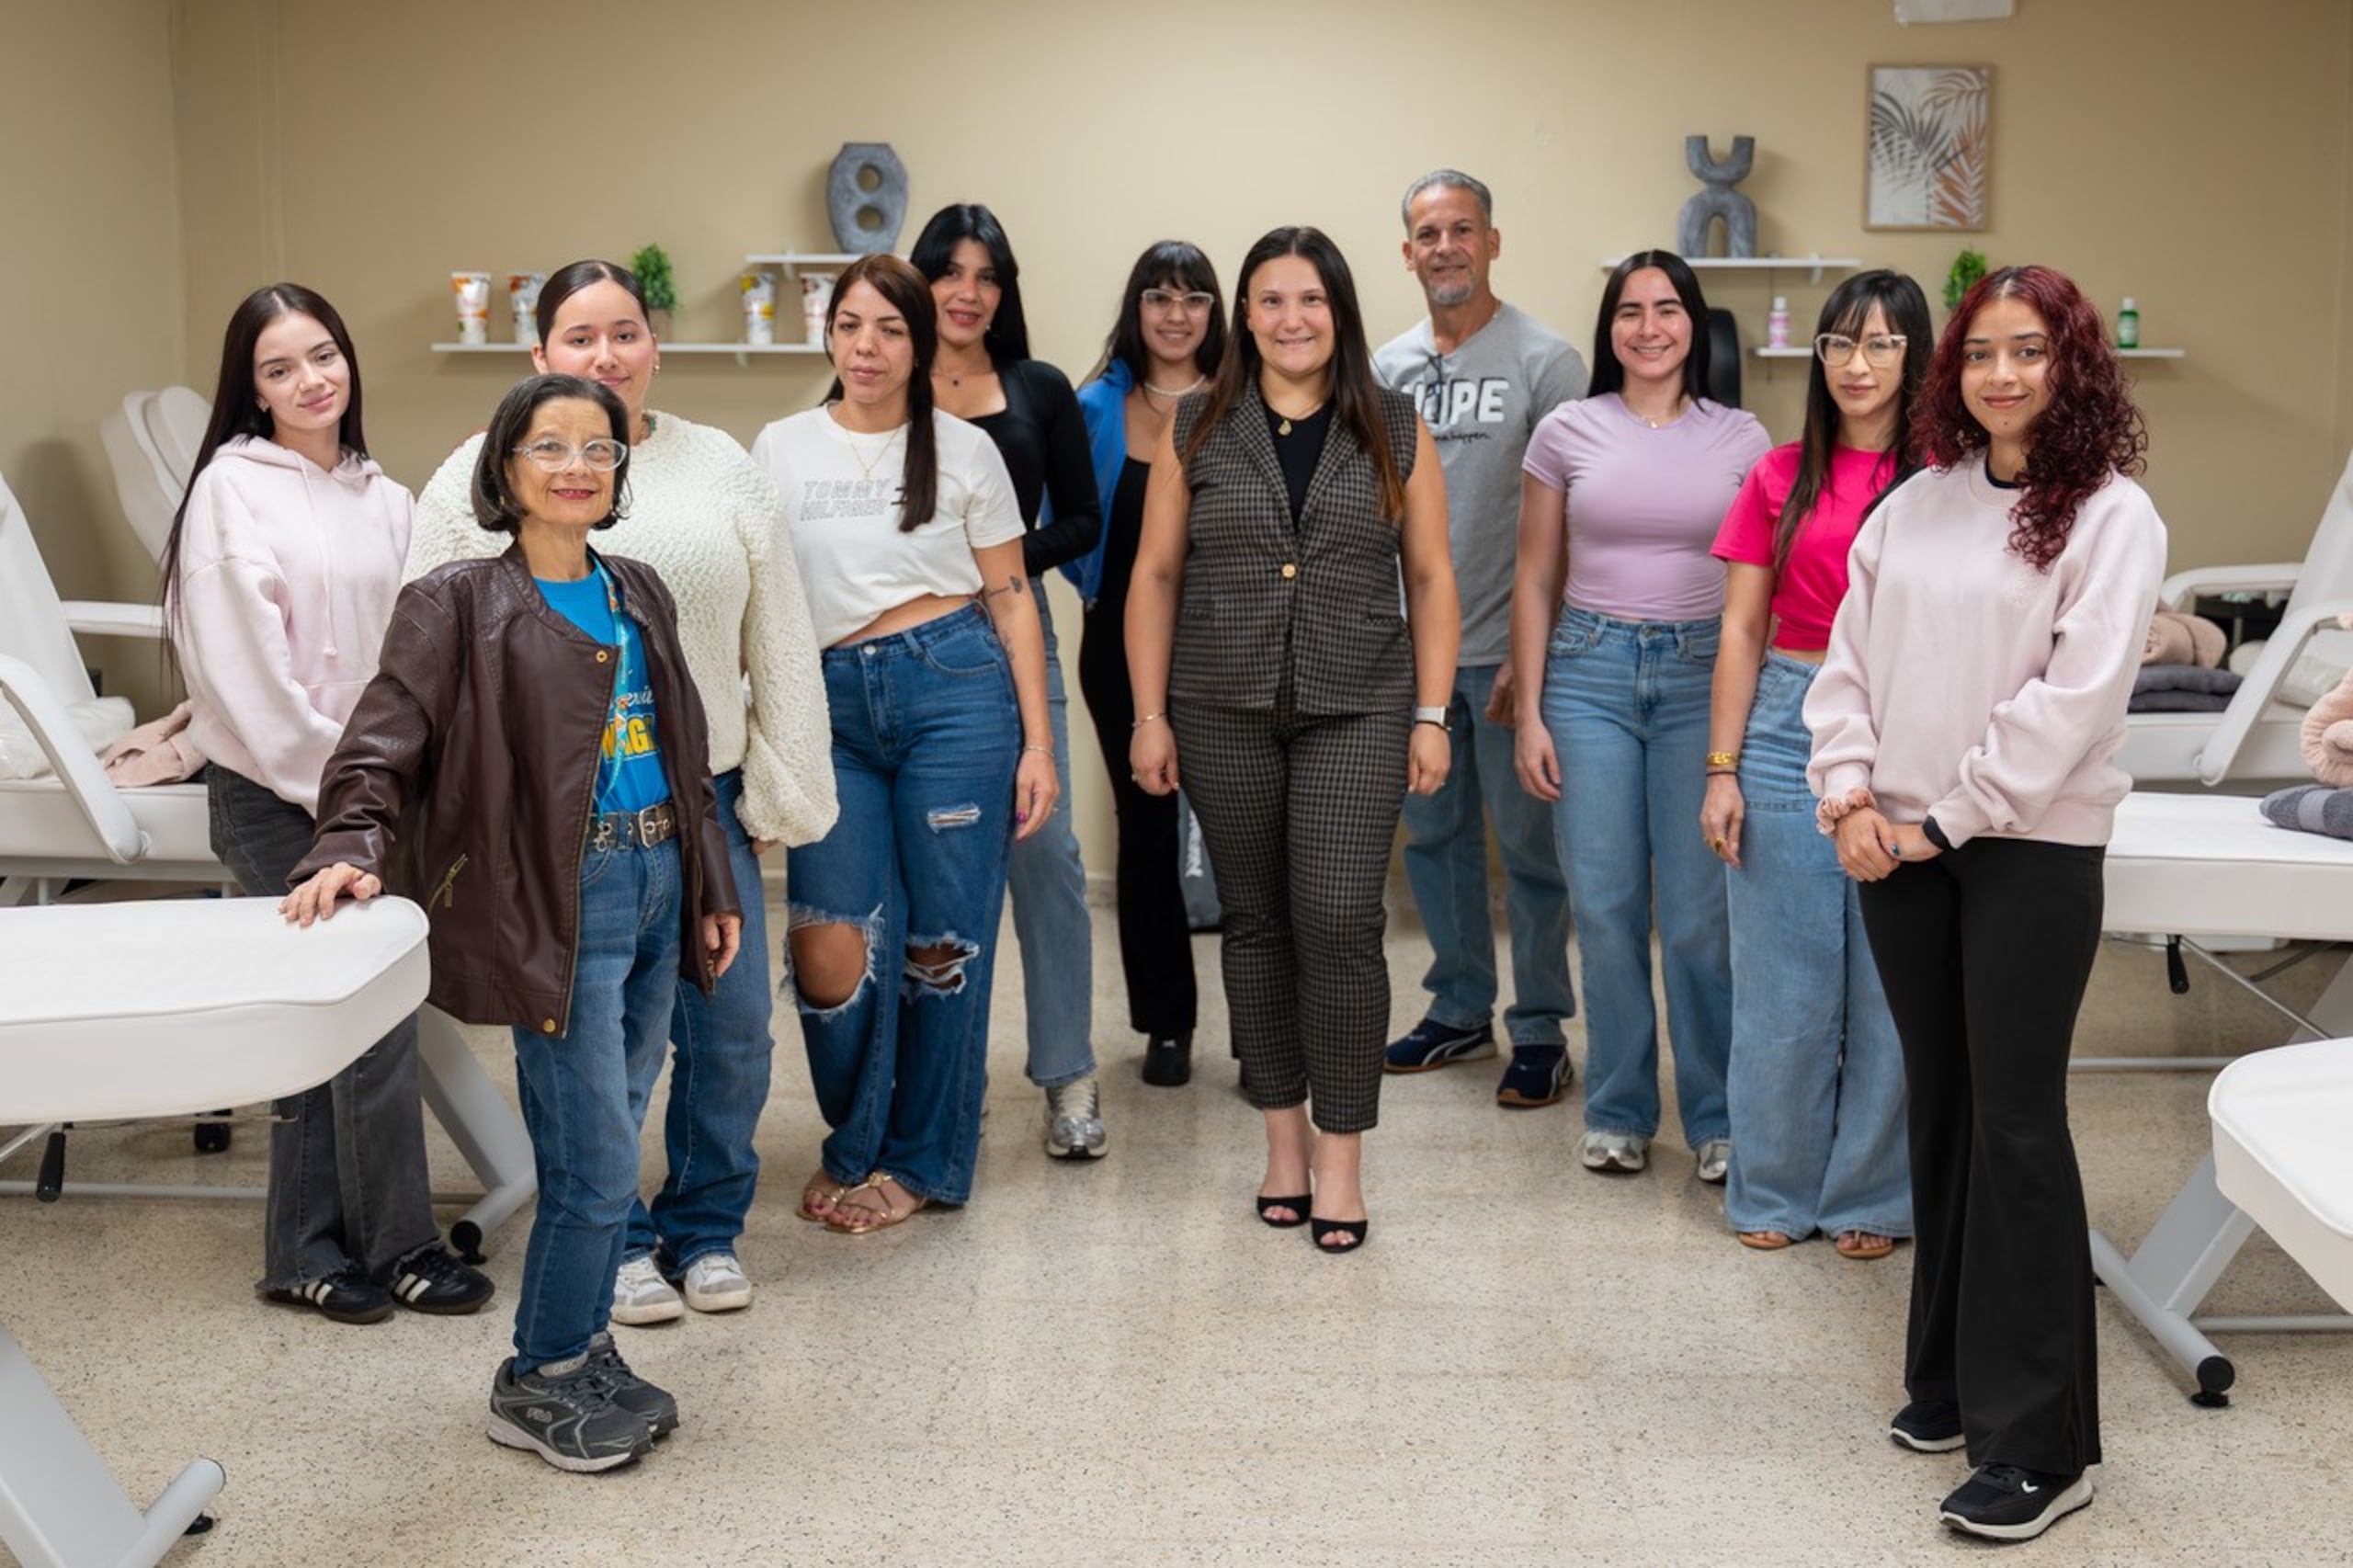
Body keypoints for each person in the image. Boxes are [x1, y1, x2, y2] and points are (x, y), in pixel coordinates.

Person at [283, 372, 745, 1474]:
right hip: (560, 902)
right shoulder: (456, 602)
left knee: (615, 1128)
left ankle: (582, 1347)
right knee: (591, 1161)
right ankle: (537, 1374)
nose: (578, 465)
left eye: (600, 449)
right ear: (504, 471)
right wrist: (349, 844)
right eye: (550, 447)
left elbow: (687, 756)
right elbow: (380, 742)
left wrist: (712, 884)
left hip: (656, 882)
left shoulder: (638, 588)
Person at [1806, 264, 2164, 1543]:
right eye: (1980, 356)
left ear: (2072, 365)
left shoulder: (2112, 517)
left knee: (2016, 1124)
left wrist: (1940, 820)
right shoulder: (1916, 504)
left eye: (2030, 351)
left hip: (2023, 847)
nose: (2001, 375)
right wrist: (1846, 796)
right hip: (1897, 842)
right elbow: (1848, 660)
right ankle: (1952, 1379)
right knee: (1943, 1107)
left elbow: (2073, 702)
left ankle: (2045, 1443)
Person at [407, 260, 835, 1327]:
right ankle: (621, 1237)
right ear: (539, 355)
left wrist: (785, 789)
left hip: (703, 799)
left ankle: (705, 1222)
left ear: (654, 345)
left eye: (626, 333)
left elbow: (774, 632)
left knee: (732, 1031)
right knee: (603, 1048)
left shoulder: (721, 466)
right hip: (565, 826)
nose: (606, 356)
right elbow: (422, 668)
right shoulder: (479, 474)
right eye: (579, 336)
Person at [163, 282, 493, 1325]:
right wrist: (355, 797)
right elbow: (248, 682)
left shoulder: (385, 497)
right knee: (367, 1013)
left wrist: (394, 790)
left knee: (335, 1019)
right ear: (252, 392)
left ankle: (302, 1248)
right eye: (279, 367)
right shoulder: (230, 492)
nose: (311, 380)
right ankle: (400, 1244)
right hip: (275, 797)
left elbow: (420, 655)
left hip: (367, 799)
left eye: (323, 355)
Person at [1128, 226, 1458, 1253]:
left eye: (1309, 299)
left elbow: (1436, 577)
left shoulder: (1395, 426)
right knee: (1257, 921)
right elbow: (1154, 576)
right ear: (1246, 318)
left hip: (1359, 702)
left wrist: (1431, 713)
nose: (1291, 319)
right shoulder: (1196, 423)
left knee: (1341, 917)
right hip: (1219, 705)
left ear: (1340, 311)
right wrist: (1148, 713)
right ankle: (1281, 1143)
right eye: (1269, 301)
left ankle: (1342, 1153)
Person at [750, 254, 1058, 1235]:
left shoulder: (965, 450)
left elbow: (1012, 597)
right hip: (823, 708)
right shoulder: (780, 446)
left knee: (942, 946)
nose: (868, 346)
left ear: (920, 343)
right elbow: (758, 598)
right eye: (850, 325)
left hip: (954, 691)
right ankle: (857, 1131)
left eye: (890, 328)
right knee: (828, 945)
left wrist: (1038, 745)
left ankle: (918, 1158)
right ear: (828, 336)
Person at [1510, 250, 1769, 1180]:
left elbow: (1756, 595)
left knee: (1700, 915)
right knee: (1607, 903)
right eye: (1629, 310)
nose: (1648, 326)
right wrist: (1531, 706)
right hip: (1587, 676)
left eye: (1666, 309)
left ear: (1694, 324)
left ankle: (1717, 1114)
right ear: (1608, 328)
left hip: (1703, 675)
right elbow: (1536, 574)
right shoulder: (1567, 430)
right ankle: (1618, 1106)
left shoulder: (1743, 437)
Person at [1700, 270, 1931, 1257]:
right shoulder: (1778, 475)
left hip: (1912, 729)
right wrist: (1721, 767)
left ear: (1916, 356)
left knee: (1889, 981)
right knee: (1785, 980)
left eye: (1880, 343)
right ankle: (1774, 1187)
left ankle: (1874, 1195)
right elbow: (1741, 628)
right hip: (1788, 723)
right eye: (1839, 343)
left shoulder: (1949, 484)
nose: (1857, 363)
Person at [1372, 169, 1587, 1107]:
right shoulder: (1384, 369)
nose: (1446, 247)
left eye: (1463, 229)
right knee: (1435, 838)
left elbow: (1576, 521)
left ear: (1492, 242)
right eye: (1428, 233)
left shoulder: (1547, 361)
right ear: (1407, 251)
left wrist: (1526, 660)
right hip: (1413, 657)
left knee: (1532, 847)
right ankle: (1459, 1005)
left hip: (1511, 649)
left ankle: (1538, 1025)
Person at [911, 203, 1106, 1158]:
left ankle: (1068, 1074)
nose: (967, 291)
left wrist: (998, 558)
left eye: (986, 275)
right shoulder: (882, 381)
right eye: (950, 272)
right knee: (938, 870)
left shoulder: (1038, 388)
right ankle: (947, 1083)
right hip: (908, 650)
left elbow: (1083, 520)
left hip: (1014, 633)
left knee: (1046, 854)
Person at [1071, 240, 1225, 1088]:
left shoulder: (1243, 401)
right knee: (1148, 828)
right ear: (1136, 309)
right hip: (1119, 649)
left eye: (1194, 297)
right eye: (1159, 297)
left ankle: (1263, 1030)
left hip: (1228, 641)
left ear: (1214, 312)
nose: (1176, 314)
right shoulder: (1094, 405)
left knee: (1247, 833)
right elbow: (1063, 522)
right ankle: (1167, 1023)